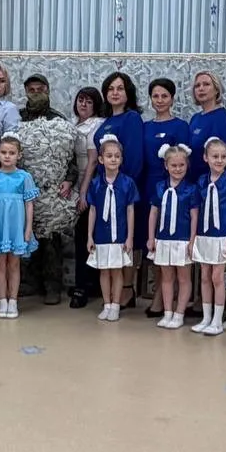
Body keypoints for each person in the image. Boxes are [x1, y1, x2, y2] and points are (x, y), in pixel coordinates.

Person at [18, 74, 78, 306]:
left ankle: (53, 287)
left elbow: (71, 159)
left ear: (48, 91)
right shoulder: (18, 119)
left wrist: (69, 180)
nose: (36, 93)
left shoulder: (58, 120)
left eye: (40, 89)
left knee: (51, 239)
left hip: (51, 193)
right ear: (26, 92)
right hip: (23, 191)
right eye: (31, 89)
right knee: (25, 236)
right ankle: (30, 283)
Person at [86, 73, 145, 307]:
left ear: (128, 93)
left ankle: (127, 289)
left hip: (121, 190)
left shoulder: (132, 119)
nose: (115, 92)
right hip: (103, 190)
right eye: (111, 89)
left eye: (120, 88)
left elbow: (135, 158)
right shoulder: (106, 121)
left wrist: (123, 188)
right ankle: (110, 294)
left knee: (125, 239)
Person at [0, 133, 40, 319]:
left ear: (19, 155)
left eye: (12, 153)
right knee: (0, 263)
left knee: (14, 263)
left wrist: (28, 228)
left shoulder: (24, 177)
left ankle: (13, 301)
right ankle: (2, 301)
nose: (7, 156)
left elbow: (29, 205)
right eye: (4, 152)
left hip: (16, 226)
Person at [85, 134, 140, 322]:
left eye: (117, 156)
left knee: (117, 270)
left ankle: (116, 305)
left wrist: (130, 237)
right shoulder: (95, 184)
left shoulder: (127, 183)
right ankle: (106, 304)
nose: (113, 159)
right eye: (109, 156)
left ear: (121, 159)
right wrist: (89, 236)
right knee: (104, 270)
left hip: (120, 235)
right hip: (101, 235)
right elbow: (93, 210)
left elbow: (130, 210)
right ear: (101, 159)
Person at [191, 137, 226, 336]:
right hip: (204, 235)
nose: (219, 160)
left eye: (223, 156)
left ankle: (217, 320)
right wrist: (193, 239)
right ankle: (206, 317)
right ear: (206, 158)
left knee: (217, 277)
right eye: (215, 156)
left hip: (223, 235)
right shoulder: (201, 181)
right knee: (204, 276)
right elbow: (196, 211)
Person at [146, 143, 198, 330]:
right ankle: (167, 312)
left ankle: (179, 313)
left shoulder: (191, 189)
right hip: (163, 239)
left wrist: (192, 240)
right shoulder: (160, 187)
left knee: (183, 278)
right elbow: (153, 213)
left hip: (182, 240)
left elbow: (194, 216)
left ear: (187, 165)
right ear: (166, 166)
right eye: (173, 165)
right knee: (166, 278)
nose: (177, 169)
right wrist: (151, 237)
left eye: (181, 165)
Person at [70, 87, 106, 308]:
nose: (83, 104)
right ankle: (86, 282)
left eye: (89, 101)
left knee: (87, 237)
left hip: (91, 186)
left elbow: (92, 162)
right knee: (80, 237)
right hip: (76, 184)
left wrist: (83, 193)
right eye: (81, 100)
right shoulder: (73, 125)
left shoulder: (97, 125)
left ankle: (83, 287)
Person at [188, 71, 226, 181]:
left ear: (216, 90)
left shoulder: (221, 117)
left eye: (206, 84)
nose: (201, 88)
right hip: (194, 179)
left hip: (211, 181)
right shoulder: (195, 118)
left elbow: (223, 154)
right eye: (197, 86)